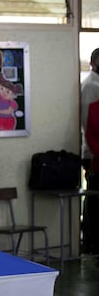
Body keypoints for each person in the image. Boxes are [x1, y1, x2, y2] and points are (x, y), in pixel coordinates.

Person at [81, 48, 99, 253]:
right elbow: (88, 124)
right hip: (92, 152)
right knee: (93, 199)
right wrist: (91, 151)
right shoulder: (90, 85)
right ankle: (91, 241)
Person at [85, 99, 99, 263]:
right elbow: (89, 135)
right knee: (95, 211)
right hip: (98, 166)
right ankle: (96, 249)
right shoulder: (93, 107)